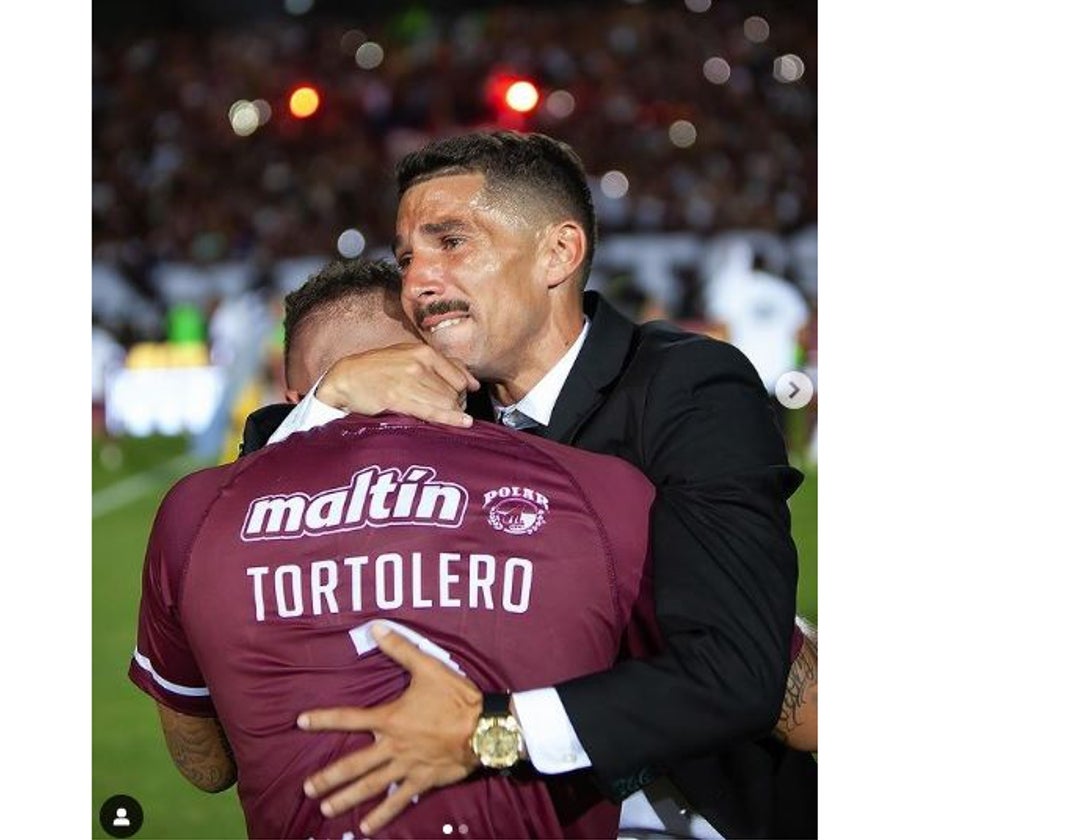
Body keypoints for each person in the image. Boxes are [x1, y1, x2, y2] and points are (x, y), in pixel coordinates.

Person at [262, 132, 813, 838]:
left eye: (452, 242)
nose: (418, 281)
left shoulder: (686, 389)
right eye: (406, 258)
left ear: (559, 253)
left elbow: (734, 673)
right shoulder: (442, 404)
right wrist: (329, 400)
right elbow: (248, 495)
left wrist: (486, 733)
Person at [129, 258, 666, 838]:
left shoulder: (197, 513)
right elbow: (734, 682)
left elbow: (204, 765)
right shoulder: (596, 488)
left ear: (291, 394)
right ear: (451, 364)